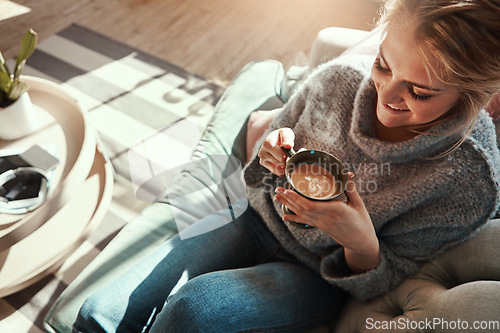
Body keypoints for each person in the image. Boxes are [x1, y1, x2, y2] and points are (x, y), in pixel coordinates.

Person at [73, 0, 500, 332]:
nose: (387, 94)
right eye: (384, 65)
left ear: (473, 94)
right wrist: (269, 151)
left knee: (197, 307)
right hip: (252, 219)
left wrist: (359, 243)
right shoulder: (338, 81)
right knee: (98, 314)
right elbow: (257, 176)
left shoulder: (467, 181)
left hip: (316, 276)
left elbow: (379, 285)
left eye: (420, 92)